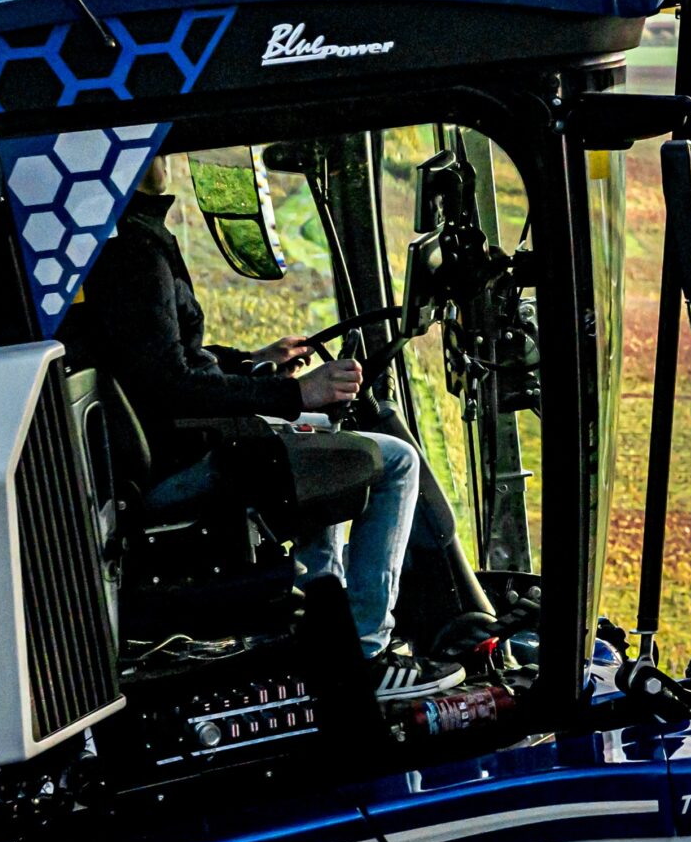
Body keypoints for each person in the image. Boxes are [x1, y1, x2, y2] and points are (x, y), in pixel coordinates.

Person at [61, 155, 447, 687]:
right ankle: (363, 655)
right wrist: (295, 392)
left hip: (178, 443)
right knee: (397, 461)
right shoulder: (132, 249)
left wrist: (251, 362)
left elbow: (163, 358)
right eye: (152, 149)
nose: (166, 157)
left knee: (329, 445)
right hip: (180, 458)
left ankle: (324, 629)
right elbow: (169, 385)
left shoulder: (126, 237)